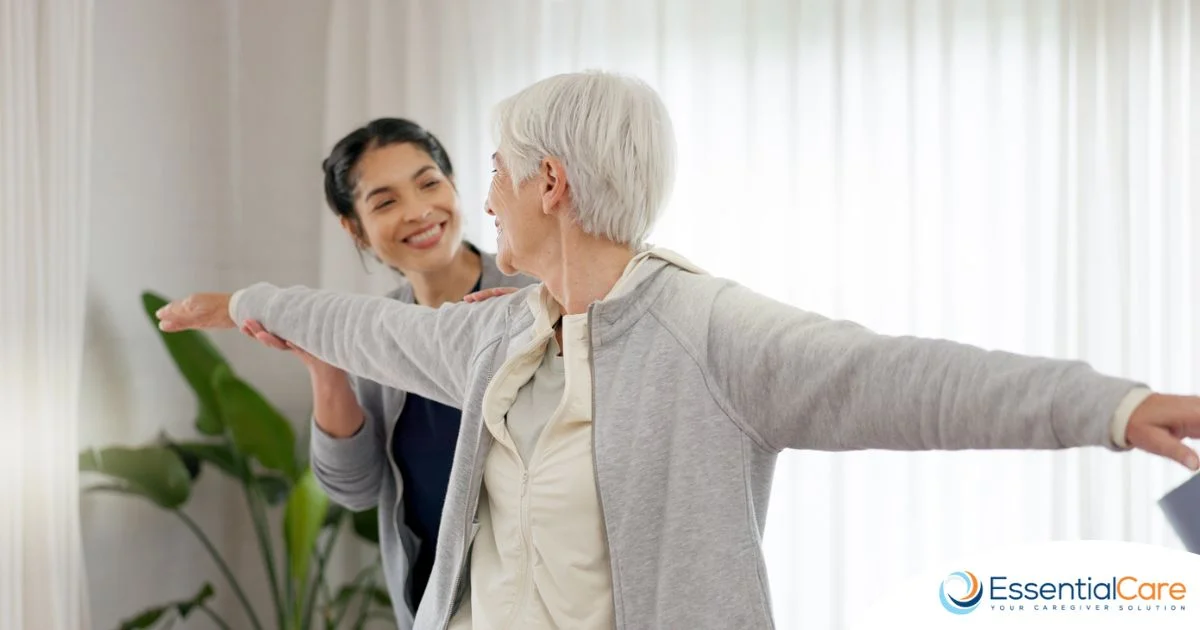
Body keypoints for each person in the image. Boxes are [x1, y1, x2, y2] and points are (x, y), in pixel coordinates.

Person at [156, 71, 1200, 630]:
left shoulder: (709, 332)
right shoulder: (498, 332)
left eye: (493, 174)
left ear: (550, 184)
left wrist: (1109, 408)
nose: (479, 201)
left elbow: (906, 378)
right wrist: (253, 302)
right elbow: (364, 325)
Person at [241, 117, 534, 628]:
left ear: (454, 186)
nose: (419, 212)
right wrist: (325, 367)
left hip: (533, 603)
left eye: (428, 183)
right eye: (385, 201)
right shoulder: (374, 332)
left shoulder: (536, 296)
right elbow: (354, 488)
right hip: (432, 607)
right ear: (354, 228)